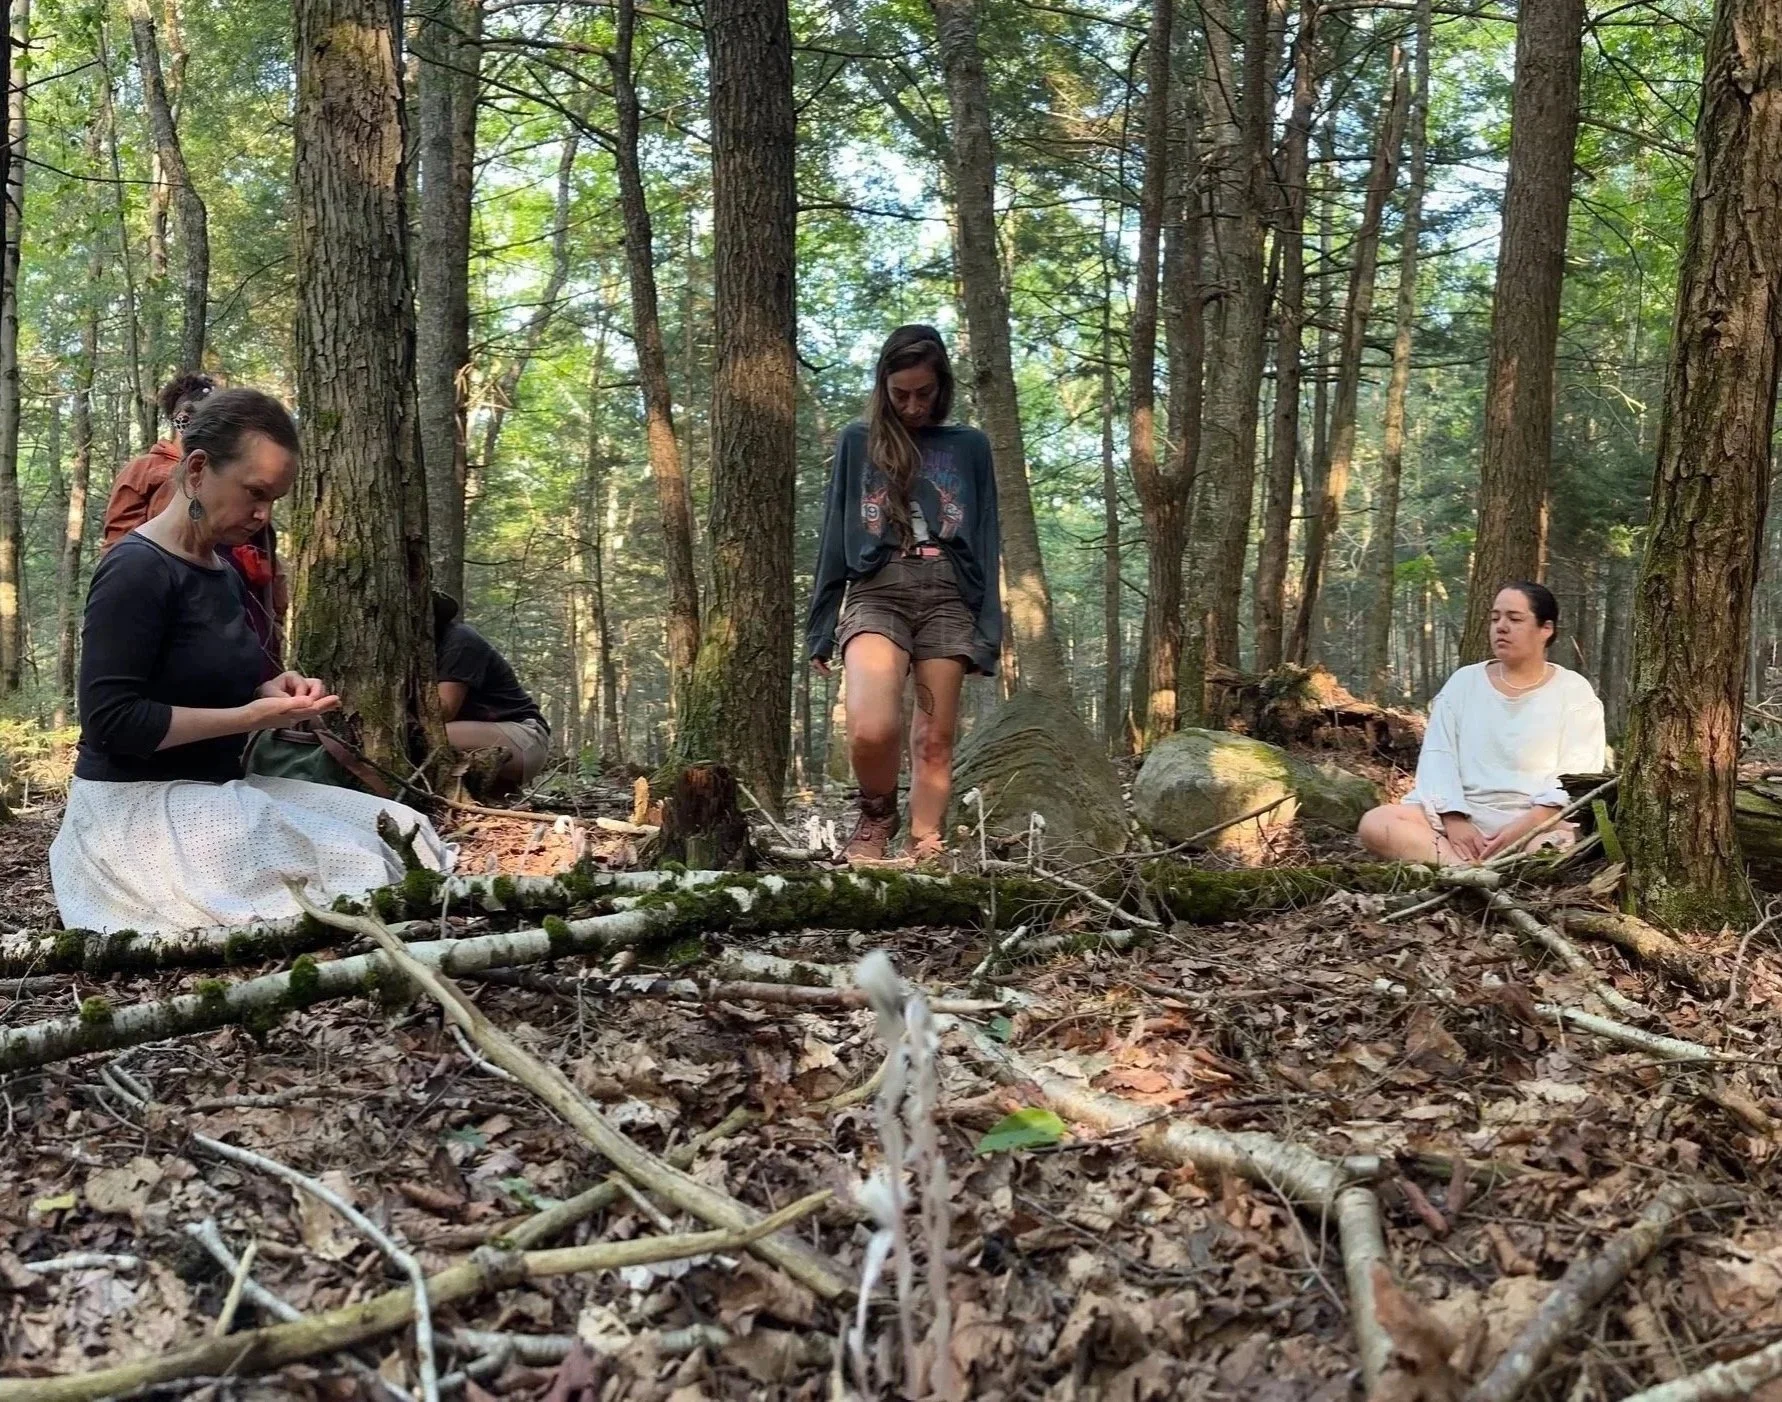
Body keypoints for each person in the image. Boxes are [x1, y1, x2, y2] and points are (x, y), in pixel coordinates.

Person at [50, 388, 449, 935]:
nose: (262, 515)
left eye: (274, 501)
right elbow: (112, 722)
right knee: (352, 869)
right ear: (196, 470)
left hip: (219, 789)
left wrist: (273, 688)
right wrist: (250, 718)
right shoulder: (136, 570)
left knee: (404, 830)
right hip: (134, 809)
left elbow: (224, 680)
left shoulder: (224, 570)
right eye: (255, 493)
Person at [806, 325, 1002, 864]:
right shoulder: (857, 440)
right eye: (900, 394)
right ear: (882, 388)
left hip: (949, 596)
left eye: (924, 393)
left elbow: (986, 538)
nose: (912, 405)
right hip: (876, 590)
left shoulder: (970, 446)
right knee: (872, 727)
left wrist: (988, 633)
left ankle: (925, 843)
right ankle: (876, 813)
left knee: (934, 741)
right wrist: (821, 624)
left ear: (942, 388)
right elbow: (833, 533)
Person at [1357, 582, 1607, 865]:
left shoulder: (1573, 690)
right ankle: (1466, 871)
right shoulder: (1464, 682)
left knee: (1560, 845)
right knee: (1377, 823)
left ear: (1545, 629)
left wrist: (1526, 827)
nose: (1501, 626)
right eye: (1494, 618)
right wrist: (1455, 820)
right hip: (1464, 816)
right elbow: (1439, 756)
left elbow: (1576, 773)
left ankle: (1485, 870)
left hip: (1537, 821)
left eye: (1514, 619)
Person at [102, 373, 287, 677]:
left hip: (244, 610)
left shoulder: (240, 479)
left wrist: (275, 611)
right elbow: (118, 547)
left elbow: (266, 550)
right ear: (179, 419)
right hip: (182, 611)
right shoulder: (145, 471)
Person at [433, 592, 551, 795]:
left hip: (524, 738)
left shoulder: (459, 640)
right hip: (478, 736)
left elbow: (443, 711)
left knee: (422, 737)